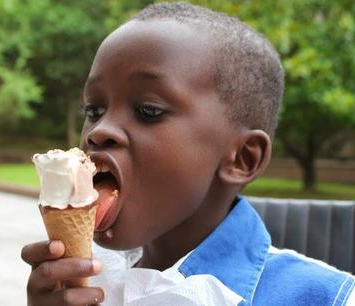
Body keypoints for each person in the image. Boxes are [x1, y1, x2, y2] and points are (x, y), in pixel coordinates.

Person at [21, 2, 355, 305]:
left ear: (243, 159)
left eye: (148, 110)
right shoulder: (83, 281)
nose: (99, 131)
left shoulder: (329, 298)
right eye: (93, 110)